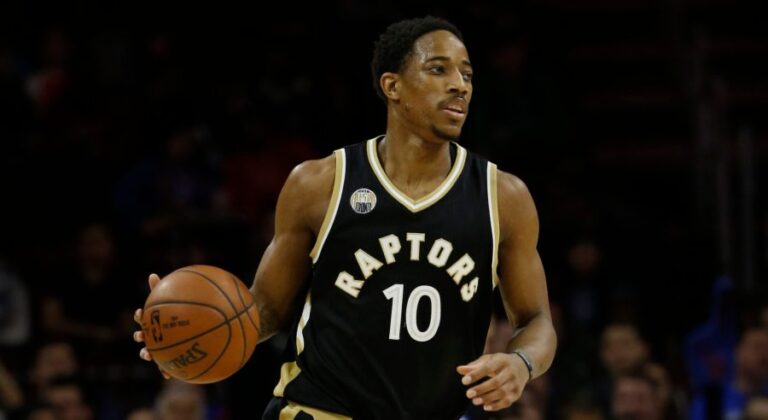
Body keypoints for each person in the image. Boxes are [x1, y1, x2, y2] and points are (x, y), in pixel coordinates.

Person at [134, 15, 557, 419]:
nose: (459, 85)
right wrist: (188, 330)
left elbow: (536, 321)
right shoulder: (319, 184)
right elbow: (266, 309)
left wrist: (521, 363)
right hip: (320, 411)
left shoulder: (503, 197)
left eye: (466, 74)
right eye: (438, 69)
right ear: (392, 86)